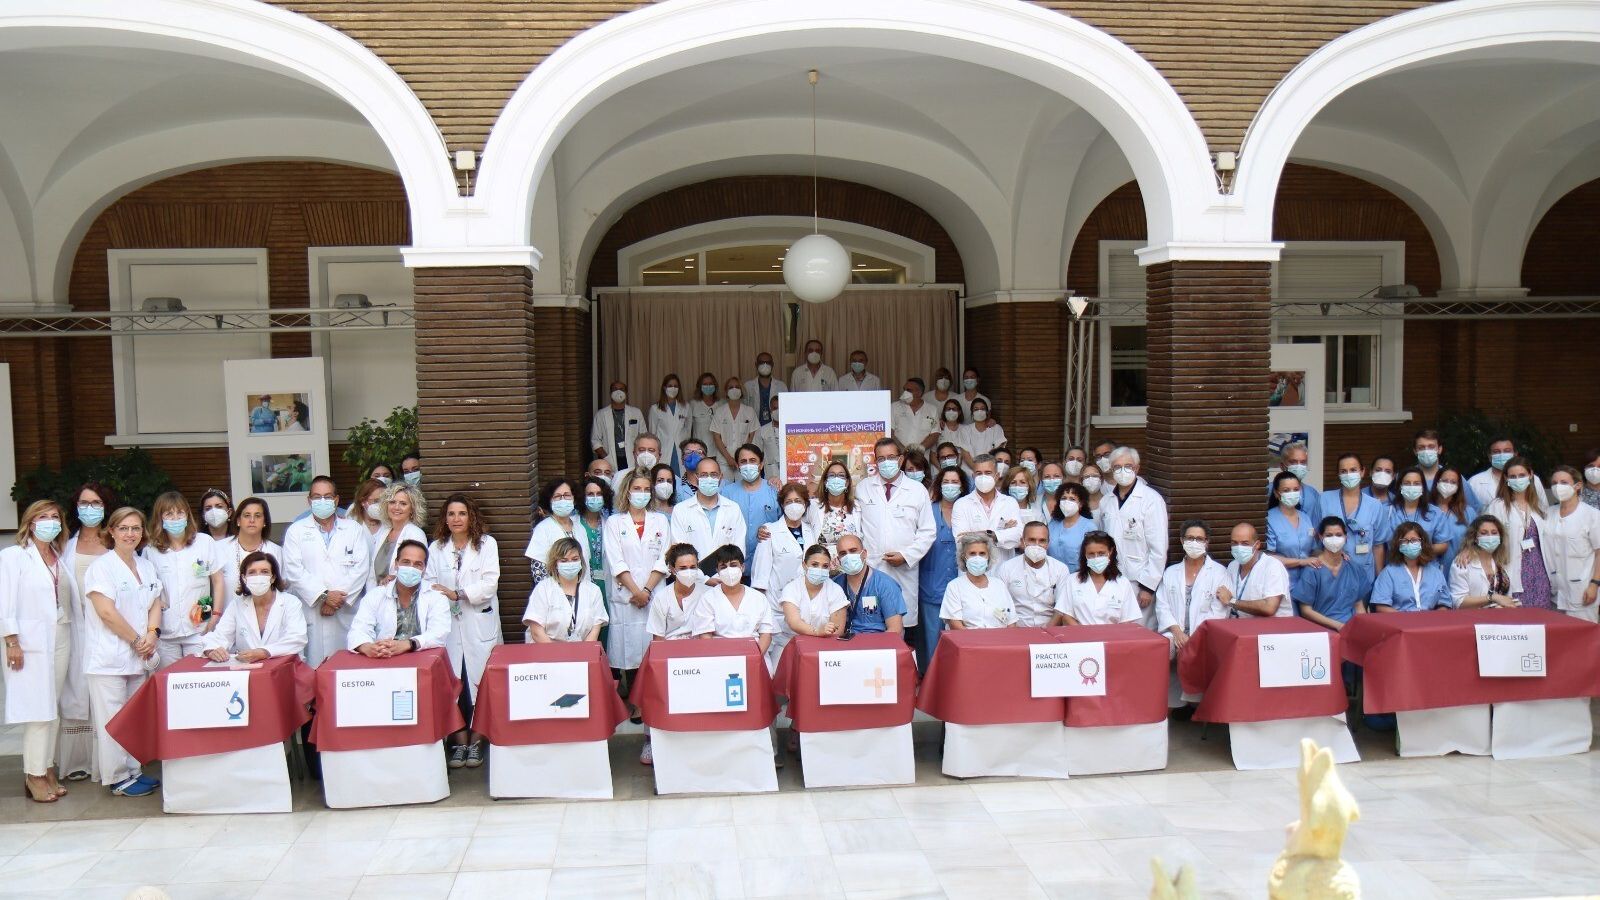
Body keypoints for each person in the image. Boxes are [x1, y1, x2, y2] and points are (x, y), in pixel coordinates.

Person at [82, 507, 162, 796]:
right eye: (124, 528)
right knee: (112, 720)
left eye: (136, 528)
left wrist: (152, 634)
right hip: (109, 657)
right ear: (112, 531)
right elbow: (106, 612)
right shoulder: (101, 567)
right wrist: (137, 641)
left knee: (132, 718)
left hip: (138, 655)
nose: (131, 533)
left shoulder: (145, 565)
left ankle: (133, 770)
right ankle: (117, 778)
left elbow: (155, 602)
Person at [2, 501, 72, 802]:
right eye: (43, 517)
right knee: (36, 710)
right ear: (30, 523)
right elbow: (5, 600)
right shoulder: (13, 556)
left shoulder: (58, 555)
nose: (50, 522)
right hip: (28, 642)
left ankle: (47, 766)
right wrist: (12, 640)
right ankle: (34, 774)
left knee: (52, 707)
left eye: (55, 517)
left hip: (59, 634)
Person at [425, 494, 502, 767]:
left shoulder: (486, 545)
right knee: (452, 686)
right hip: (447, 625)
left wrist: (458, 594)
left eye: (461, 513)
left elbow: (490, 583)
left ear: (471, 517)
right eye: (451, 514)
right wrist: (445, 596)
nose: (456, 519)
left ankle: (478, 741)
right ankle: (459, 743)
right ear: (444, 519)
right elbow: (429, 584)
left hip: (477, 621)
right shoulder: (436, 548)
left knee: (482, 684)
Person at [282, 476, 373, 666]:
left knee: (346, 671)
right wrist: (324, 596)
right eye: (317, 497)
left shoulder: (353, 529)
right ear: (309, 501)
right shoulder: (296, 531)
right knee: (312, 668)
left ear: (337, 500)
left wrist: (335, 600)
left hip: (345, 610)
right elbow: (293, 570)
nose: (322, 501)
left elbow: (361, 568)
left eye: (327, 496)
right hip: (311, 610)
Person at [59, 483, 116, 783]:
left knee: (105, 695)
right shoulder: (65, 543)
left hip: (109, 628)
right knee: (75, 692)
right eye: (84, 502)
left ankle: (107, 762)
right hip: (75, 628)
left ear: (106, 506)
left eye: (96, 503)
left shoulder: (114, 541)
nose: (89, 508)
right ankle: (78, 760)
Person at [854, 437, 935, 644]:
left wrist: (906, 556)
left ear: (900, 460)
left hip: (904, 570)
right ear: (875, 462)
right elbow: (856, 528)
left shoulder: (917, 491)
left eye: (891, 457)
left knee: (903, 632)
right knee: (871, 625)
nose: (886, 462)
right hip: (871, 568)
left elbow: (927, 531)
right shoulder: (863, 488)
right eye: (881, 459)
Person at [143, 491, 225, 667]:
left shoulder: (204, 542)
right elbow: (148, 588)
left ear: (187, 515)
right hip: (165, 631)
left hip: (199, 628)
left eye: (180, 512)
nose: (175, 518)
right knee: (170, 684)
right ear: (160, 518)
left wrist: (216, 615)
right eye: (169, 514)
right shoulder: (151, 550)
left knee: (199, 681)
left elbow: (217, 581)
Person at [602, 471, 670, 679]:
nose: (642, 494)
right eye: (637, 489)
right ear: (627, 492)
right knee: (628, 653)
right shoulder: (615, 522)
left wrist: (646, 590)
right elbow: (616, 561)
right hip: (626, 596)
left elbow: (664, 558)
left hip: (653, 593)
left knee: (653, 653)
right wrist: (636, 591)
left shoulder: (660, 521)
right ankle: (632, 702)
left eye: (646, 490)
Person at [1100, 447, 1167, 621]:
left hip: (1139, 580)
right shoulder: (1106, 501)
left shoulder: (1151, 499)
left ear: (1137, 468)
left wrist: (1148, 586)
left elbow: (1159, 547)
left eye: (1128, 466)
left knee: (1140, 630)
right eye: (1117, 467)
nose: (1122, 471)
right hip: (1111, 575)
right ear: (1111, 470)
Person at [201, 551, 308, 661]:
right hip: (248, 671)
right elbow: (220, 636)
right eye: (252, 572)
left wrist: (264, 652)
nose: (258, 576)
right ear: (244, 578)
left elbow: (297, 638)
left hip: (284, 669)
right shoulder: (237, 605)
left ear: (273, 577)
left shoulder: (291, 602)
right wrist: (212, 650)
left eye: (264, 572)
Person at [349, 540, 450, 655]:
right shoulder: (375, 595)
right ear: (396, 564)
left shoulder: (436, 596)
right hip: (383, 658)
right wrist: (367, 647)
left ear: (424, 568)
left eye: (417, 564)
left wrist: (408, 644)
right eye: (406, 562)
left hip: (423, 661)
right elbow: (358, 630)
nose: (411, 568)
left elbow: (439, 633)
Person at [1483, 457, 1557, 609]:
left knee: (1541, 620)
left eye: (1522, 475)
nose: (1518, 480)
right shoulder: (1498, 506)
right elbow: (1483, 535)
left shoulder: (1538, 506)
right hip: (1513, 571)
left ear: (1530, 475)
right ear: (1506, 478)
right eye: (1513, 476)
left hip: (1540, 572)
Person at [771, 544, 848, 669]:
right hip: (789, 644)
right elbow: (794, 622)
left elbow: (837, 630)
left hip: (825, 647)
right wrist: (818, 631)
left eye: (825, 566)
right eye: (815, 564)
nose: (820, 569)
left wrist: (823, 636)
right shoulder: (791, 588)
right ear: (804, 565)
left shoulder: (835, 590)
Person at [1156, 521, 1229, 652]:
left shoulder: (1219, 573)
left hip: (1206, 634)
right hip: (1175, 633)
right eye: (1190, 538)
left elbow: (1219, 612)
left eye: (1199, 539)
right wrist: (1178, 633)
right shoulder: (1171, 572)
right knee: (1162, 650)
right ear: (1182, 540)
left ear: (1207, 542)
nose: (1194, 542)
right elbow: (1162, 606)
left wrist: (1193, 638)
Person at [918, 466, 965, 667]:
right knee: (931, 641)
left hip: (962, 585)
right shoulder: (928, 510)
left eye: (955, 482)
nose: (950, 486)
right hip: (931, 584)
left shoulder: (968, 511)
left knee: (960, 641)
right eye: (946, 481)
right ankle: (931, 685)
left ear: (963, 486)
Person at [690, 545, 777, 651]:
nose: (729, 570)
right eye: (723, 567)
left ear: (742, 567)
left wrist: (755, 658)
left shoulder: (759, 598)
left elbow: (766, 634)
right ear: (717, 570)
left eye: (733, 565)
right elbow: (705, 636)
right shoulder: (708, 599)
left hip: (756, 655)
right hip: (720, 657)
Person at [1295, 518, 1373, 630]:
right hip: (1321, 631)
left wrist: (1362, 628)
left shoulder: (1354, 569)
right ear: (1321, 537)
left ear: (1346, 537)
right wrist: (1338, 626)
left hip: (1351, 629)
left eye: (1338, 534)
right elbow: (1305, 610)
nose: (1334, 539)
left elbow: (1359, 606)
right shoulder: (1313, 570)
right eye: (1329, 535)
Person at [525, 538, 607, 644]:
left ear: (581, 561)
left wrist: (581, 655)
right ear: (555, 564)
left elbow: (595, 629)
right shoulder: (543, 589)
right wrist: (560, 656)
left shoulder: (593, 591)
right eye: (564, 561)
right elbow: (536, 632)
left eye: (575, 559)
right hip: (546, 653)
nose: (570, 563)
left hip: (582, 653)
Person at [1544, 466, 1600, 621]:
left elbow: (1599, 552)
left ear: (1578, 485)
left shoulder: (1592, 515)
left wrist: (1594, 585)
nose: (1558, 486)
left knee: (1585, 640)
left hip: (1582, 591)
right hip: (1554, 592)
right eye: (1554, 483)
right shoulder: (1548, 513)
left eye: (1564, 482)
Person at [670, 455, 747, 561]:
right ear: (696, 477)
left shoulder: (733, 509)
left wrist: (725, 574)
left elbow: (739, 549)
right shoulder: (680, 510)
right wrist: (702, 577)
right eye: (704, 475)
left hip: (727, 575)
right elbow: (679, 552)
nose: (709, 479)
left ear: (721, 477)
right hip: (692, 575)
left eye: (714, 474)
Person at [950, 454, 1023, 564]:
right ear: (973, 476)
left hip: (1003, 568)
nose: (983, 477)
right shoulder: (961, 504)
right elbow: (961, 541)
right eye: (979, 473)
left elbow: (1018, 536)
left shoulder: (1009, 502)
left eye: (988, 473)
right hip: (973, 570)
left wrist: (978, 534)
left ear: (997, 475)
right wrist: (997, 534)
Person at [1330, 453, 1391, 586]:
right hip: (1331, 573)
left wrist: (1379, 579)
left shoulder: (1375, 505)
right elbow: (1317, 539)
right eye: (1343, 471)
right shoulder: (1324, 500)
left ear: (1362, 472)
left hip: (1364, 574)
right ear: (1338, 474)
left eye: (1353, 470)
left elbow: (1378, 545)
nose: (1348, 474)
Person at [830, 532, 908, 635]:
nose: (848, 556)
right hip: (843, 643)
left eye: (853, 551)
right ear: (839, 559)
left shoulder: (885, 584)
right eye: (843, 553)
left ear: (864, 553)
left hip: (877, 643)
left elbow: (895, 630)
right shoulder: (834, 585)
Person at [995, 521, 1070, 627]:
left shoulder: (1060, 569)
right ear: (1022, 541)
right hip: (1016, 629)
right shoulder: (1007, 568)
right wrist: (1014, 631)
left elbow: (1061, 608)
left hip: (1050, 631)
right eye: (1032, 540)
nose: (1037, 545)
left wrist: (1046, 632)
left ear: (1048, 543)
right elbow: (999, 605)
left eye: (1042, 541)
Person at [751, 482, 820, 595]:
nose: (793, 505)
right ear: (782, 505)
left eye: (798, 501)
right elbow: (760, 575)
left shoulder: (810, 531)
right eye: (788, 502)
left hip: (805, 598)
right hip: (776, 602)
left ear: (805, 504)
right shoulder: (768, 531)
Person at [938, 531, 1016, 629]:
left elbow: (1011, 622)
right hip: (968, 642)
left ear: (988, 557)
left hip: (1000, 641)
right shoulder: (954, 586)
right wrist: (979, 642)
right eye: (972, 553)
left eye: (982, 553)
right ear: (964, 557)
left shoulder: (999, 585)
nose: (977, 558)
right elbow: (955, 624)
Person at [1369, 522, 1452, 612]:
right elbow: (1381, 607)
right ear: (1398, 544)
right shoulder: (1388, 573)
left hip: (1431, 623)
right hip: (1400, 624)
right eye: (1405, 540)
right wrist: (1407, 620)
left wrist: (1432, 620)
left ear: (1422, 543)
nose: (1409, 544)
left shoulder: (1436, 573)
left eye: (1414, 540)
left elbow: (1444, 604)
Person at [1217, 522, 1292, 617]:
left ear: (1257, 545)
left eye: (1245, 543)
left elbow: (1269, 608)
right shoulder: (1232, 566)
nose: (1239, 547)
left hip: (1271, 629)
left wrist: (1232, 601)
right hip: (1239, 628)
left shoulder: (1272, 566)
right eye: (1235, 543)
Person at [525, 478, 590, 585]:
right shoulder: (543, 529)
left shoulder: (580, 527)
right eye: (557, 496)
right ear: (550, 501)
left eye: (567, 495)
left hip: (583, 592)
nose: (563, 499)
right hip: (555, 595)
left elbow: (587, 564)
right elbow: (538, 571)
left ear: (574, 498)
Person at [216, 497, 281, 602]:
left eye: (257, 516)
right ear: (238, 521)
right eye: (247, 515)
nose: (252, 520)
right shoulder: (218, 548)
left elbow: (282, 588)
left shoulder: (277, 552)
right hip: (226, 615)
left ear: (265, 521)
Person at [1449, 515, 1520, 610]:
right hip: (1474, 620)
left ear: (1500, 537)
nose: (1490, 536)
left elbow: (1508, 596)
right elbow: (1458, 602)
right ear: (1474, 537)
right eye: (1484, 533)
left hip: (1503, 619)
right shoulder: (1462, 562)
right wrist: (1492, 598)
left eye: (1494, 533)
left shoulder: (1503, 561)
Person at [1267, 470, 1320, 593]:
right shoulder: (1270, 519)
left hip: (1308, 582)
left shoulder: (1305, 517)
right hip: (1282, 583)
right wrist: (1302, 562)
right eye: (1286, 490)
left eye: (1296, 489)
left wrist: (1334, 554)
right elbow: (1269, 557)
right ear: (1276, 493)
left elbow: (1313, 549)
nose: (1292, 493)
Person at [724, 444, 780, 560]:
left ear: (761, 464)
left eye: (753, 461)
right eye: (743, 461)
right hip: (734, 562)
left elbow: (783, 524)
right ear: (737, 465)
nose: (748, 465)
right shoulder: (727, 493)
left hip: (768, 560)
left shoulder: (774, 491)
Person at [370, 483, 429, 591]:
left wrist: (394, 580)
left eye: (403, 503)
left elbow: (417, 571)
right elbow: (372, 574)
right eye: (392, 502)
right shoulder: (383, 532)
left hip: (401, 596)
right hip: (378, 598)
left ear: (412, 509)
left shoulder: (416, 534)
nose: (396, 507)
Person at [1467, 436, 1545, 510]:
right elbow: (1468, 513)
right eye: (1496, 452)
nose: (1502, 455)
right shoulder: (1475, 482)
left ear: (1515, 454)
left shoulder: (1532, 479)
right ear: (1489, 456)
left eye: (1507, 451)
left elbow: (1543, 509)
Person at [1391, 467, 1447, 559]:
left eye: (1416, 484)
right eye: (1407, 483)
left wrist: (1420, 549)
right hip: (1398, 564)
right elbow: (1382, 544)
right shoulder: (1390, 512)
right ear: (1400, 486)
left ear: (1423, 487)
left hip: (1427, 565)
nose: (1412, 487)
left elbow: (1443, 544)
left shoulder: (1434, 513)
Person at [808, 459, 862, 556]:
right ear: (825, 482)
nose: (836, 479)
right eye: (832, 475)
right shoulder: (813, 506)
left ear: (847, 482)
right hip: (823, 566)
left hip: (851, 566)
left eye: (841, 475)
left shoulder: (857, 507)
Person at [591, 380, 644, 471]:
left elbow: (643, 436)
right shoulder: (601, 415)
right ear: (610, 393)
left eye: (621, 389)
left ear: (626, 393)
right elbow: (595, 440)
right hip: (610, 459)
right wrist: (606, 458)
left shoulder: (636, 413)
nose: (618, 392)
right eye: (615, 389)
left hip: (632, 459)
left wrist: (639, 456)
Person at [1430, 467, 1473, 572]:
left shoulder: (1468, 512)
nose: (1448, 484)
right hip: (1430, 570)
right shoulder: (1426, 510)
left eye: (1453, 482)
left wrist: (1469, 550)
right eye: (1444, 481)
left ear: (1459, 486)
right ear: (1436, 482)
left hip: (1461, 569)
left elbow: (1478, 538)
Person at [579, 476, 612, 606]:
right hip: (583, 580)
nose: (595, 498)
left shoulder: (610, 523)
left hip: (606, 582)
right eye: (590, 494)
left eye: (599, 494)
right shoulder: (575, 523)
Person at [710, 377, 758, 468]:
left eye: (737, 387)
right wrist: (728, 458)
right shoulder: (719, 412)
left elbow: (752, 436)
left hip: (744, 459)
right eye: (731, 387)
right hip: (724, 460)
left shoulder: (749, 411)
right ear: (726, 391)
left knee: (744, 482)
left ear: (741, 390)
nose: (734, 389)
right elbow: (716, 437)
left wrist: (742, 455)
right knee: (724, 482)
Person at [649, 375, 692, 474]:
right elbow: (652, 435)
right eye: (670, 385)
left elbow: (688, 430)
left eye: (676, 386)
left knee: (682, 477)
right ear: (664, 388)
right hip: (664, 450)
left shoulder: (686, 407)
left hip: (681, 449)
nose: (673, 388)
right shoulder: (655, 409)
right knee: (664, 476)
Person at [1047, 482, 1095, 572]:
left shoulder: (1089, 526)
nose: (1067, 502)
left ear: (1080, 504)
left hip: (1077, 577)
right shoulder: (1053, 523)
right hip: (1052, 575)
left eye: (1072, 499)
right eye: (1064, 498)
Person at [1273, 442, 1321, 519]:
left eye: (1303, 462)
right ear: (1282, 466)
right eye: (1293, 462)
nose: (1299, 466)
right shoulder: (1269, 490)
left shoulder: (1313, 493)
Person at [892, 377, 940, 451]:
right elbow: (889, 431)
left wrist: (920, 449)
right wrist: (902, 450)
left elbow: (935, 434)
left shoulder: (932, 409)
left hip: (921, 457)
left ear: (919, 393)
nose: (905, 392)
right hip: (899, 455)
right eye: (904, 389)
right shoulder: (894, 407)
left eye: (909, 390)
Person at [955, 398, 1006, 467]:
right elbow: (965, 455)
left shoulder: (996, 428)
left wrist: (987, 470)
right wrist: (977, 470)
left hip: (991, 470)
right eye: (976, 409)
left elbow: (999, 452)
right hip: (969, 472)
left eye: (982, 409)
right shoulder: (965, 430)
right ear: (972, 413)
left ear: (987, 412)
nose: (979, 411)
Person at [743, 352, 788, 428]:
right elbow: (743, 411)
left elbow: (786, 411)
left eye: (768, 363)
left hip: (775, 429)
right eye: (761, 363)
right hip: (754, 429)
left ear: (772, 364)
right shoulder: (748, 386)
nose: (765, 365)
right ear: (756, 364)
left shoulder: (781, 386)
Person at [754, 394, 783, 480]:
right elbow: (757, 452)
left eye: (780, 408)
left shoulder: (792, 430)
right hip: (770, 473)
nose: (778, 411)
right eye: (775, 408)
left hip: (789, 471)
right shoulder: (763, 430)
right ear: (770, 410)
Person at [689, 372, 721, 448]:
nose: (708, 386)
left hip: (718, 451)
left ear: (715, 386)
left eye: (710, 383)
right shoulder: (693, 404)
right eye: (705, 384)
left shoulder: (721, 404)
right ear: (700, 386)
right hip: (699, 451)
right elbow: (688, 429)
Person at [1414, 429, 1446, 493]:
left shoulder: (1454, 477)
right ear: (1415, 451)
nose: (1426, 451)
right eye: (1421, 447)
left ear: (1439, 449)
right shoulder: (1403, 477)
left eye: (1431, 447)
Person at [1079, 463, 1107, 527]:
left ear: (1102, 479)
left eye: (1095, 476)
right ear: (1081, 481)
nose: (1091, 479)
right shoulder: (1078, 504)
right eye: (1086, 476)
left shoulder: (1109, 501)